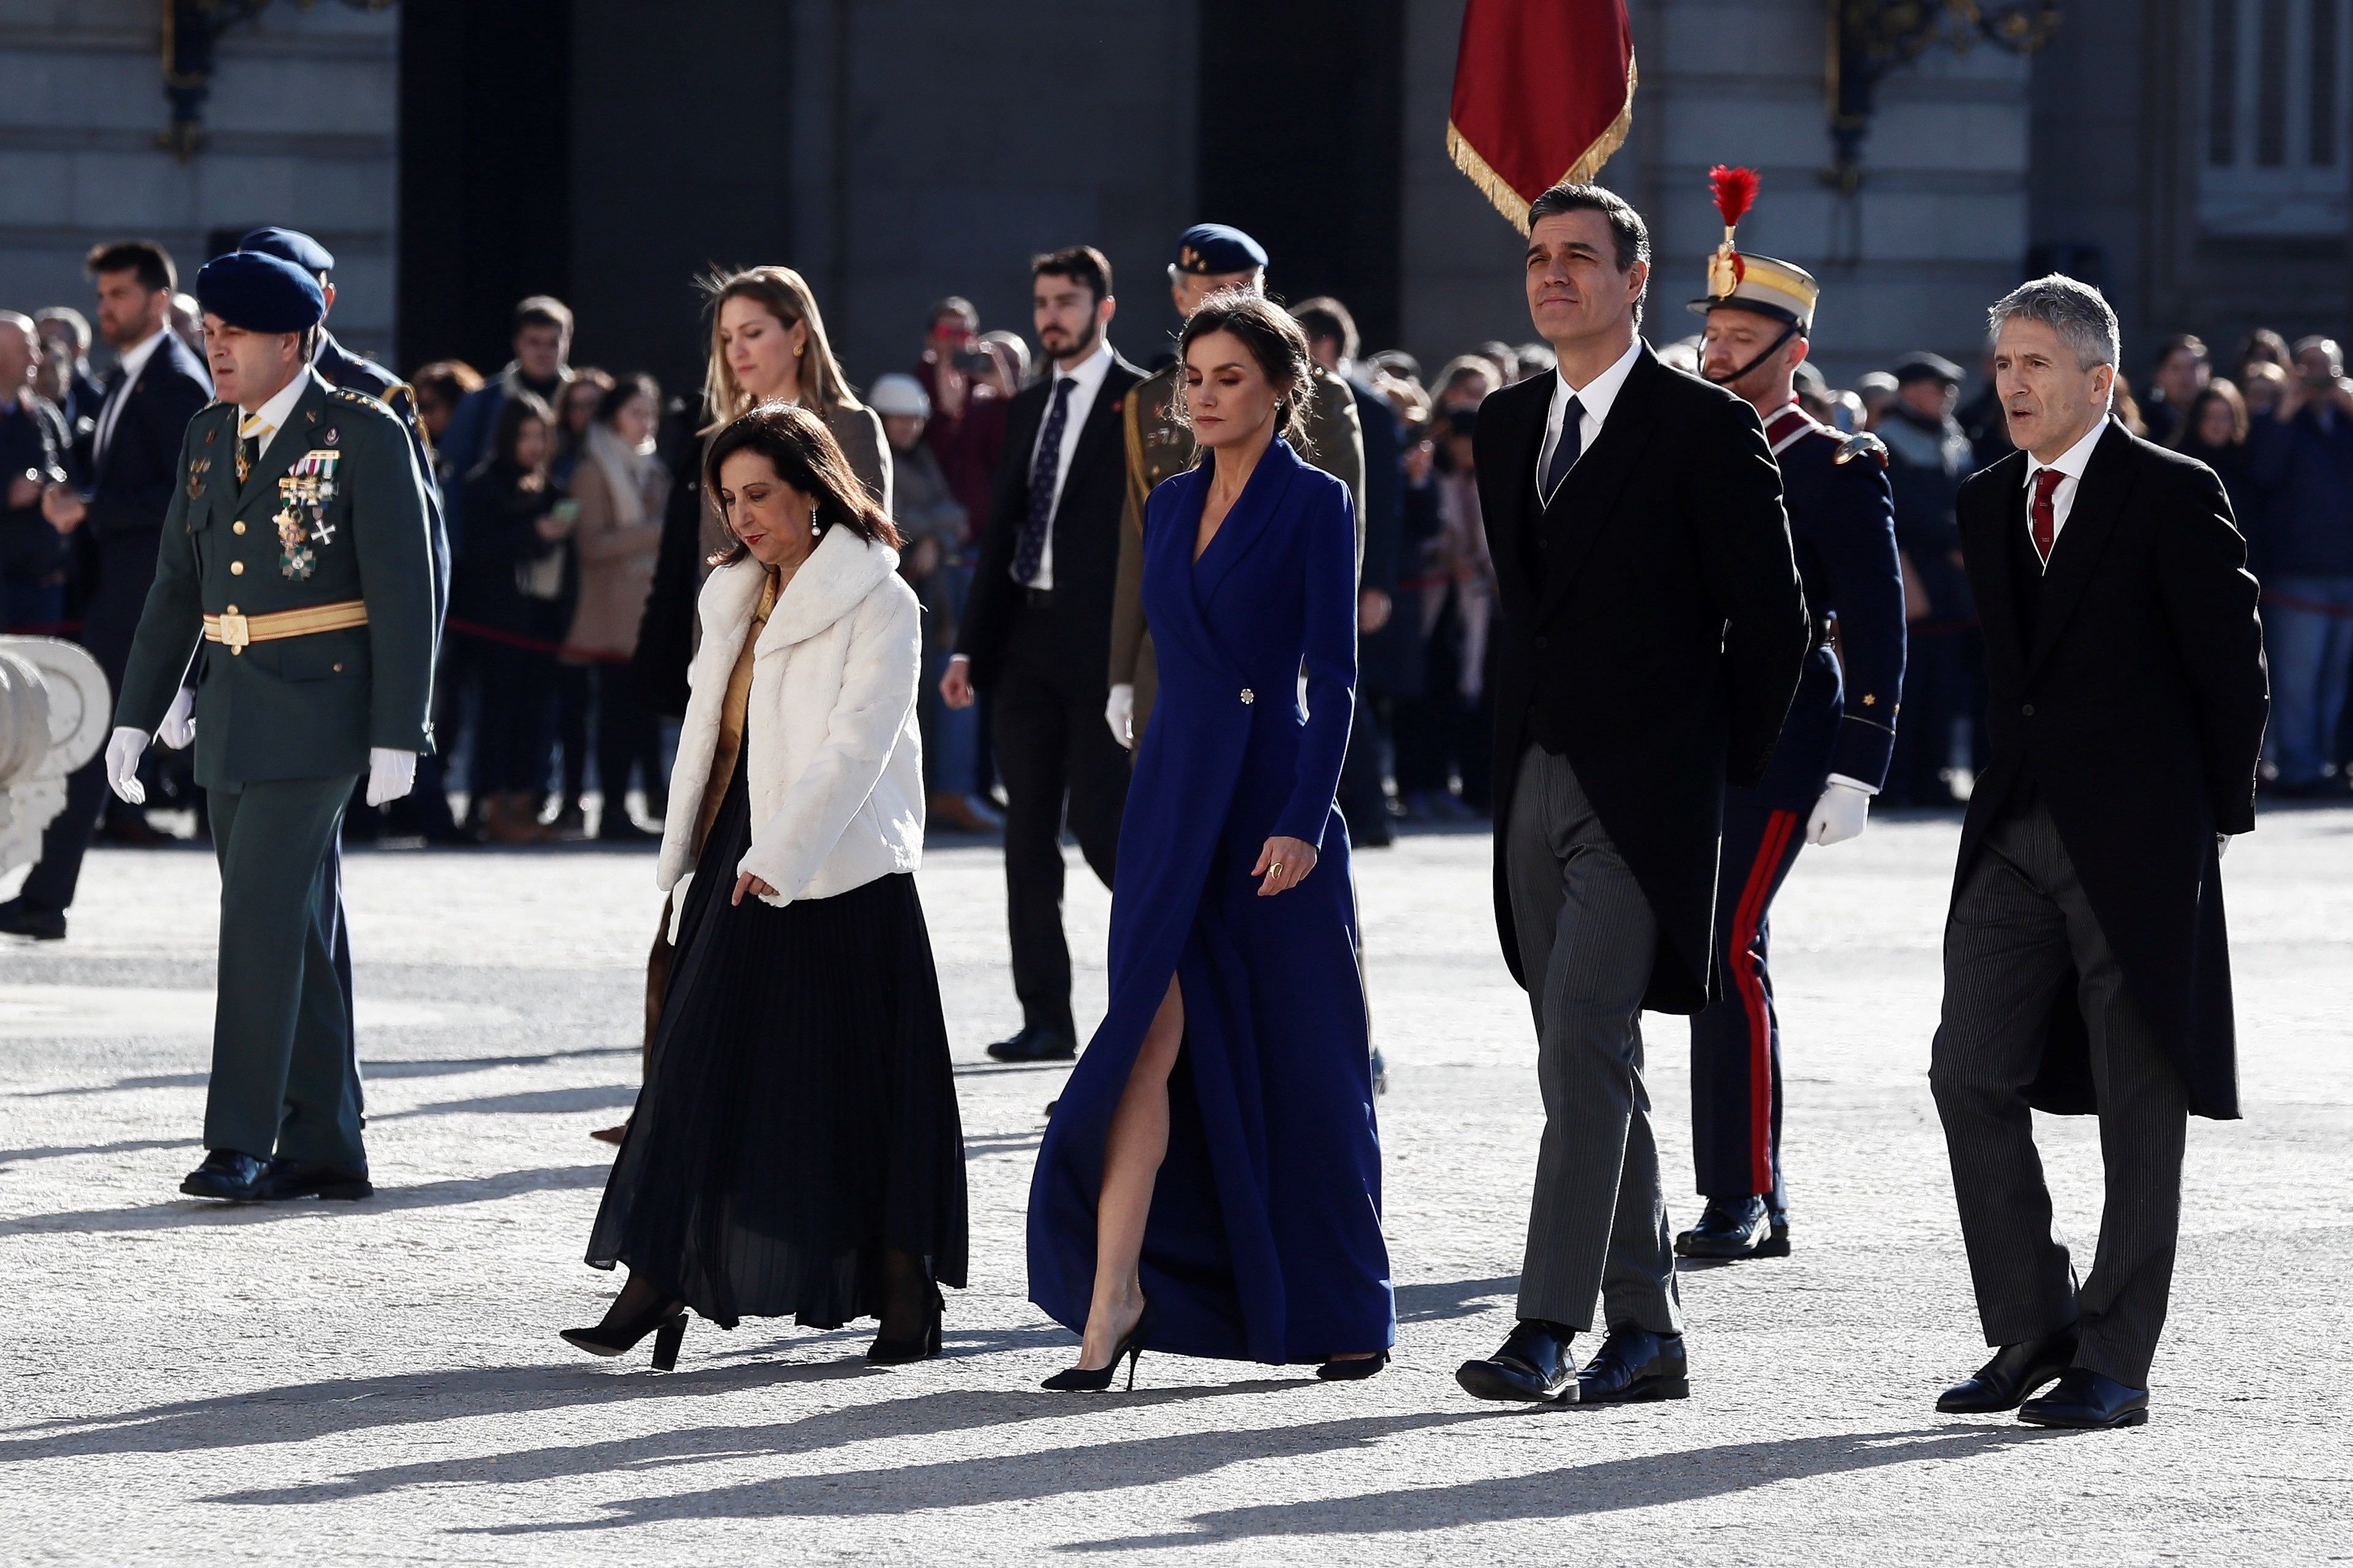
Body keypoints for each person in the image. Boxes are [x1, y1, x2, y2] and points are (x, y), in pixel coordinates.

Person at [1450, 182, 1805, 1408]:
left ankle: (1544, 1322)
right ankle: (1648, 1330)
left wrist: (1711, 764)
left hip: (1648, 793)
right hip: (1533, 779)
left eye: (1580, 258)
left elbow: (1775, 622)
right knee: (1584, 1057)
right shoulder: (1503, 424)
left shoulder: (1704, 426)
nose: (1553, 275)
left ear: (1635, 277)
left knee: (1584, 1040)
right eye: (1539, 257)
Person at [1026, 290, 1389, 1388]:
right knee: (1141, 1040)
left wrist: (1302, 821)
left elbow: (1334, 679)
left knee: (1306, 1058)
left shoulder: (1318, 502)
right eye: (1194, 378)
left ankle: (1342, 1306)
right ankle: (1112, 1300)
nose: (1206, 396)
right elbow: (1148, 648)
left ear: (1282, 388)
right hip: (1172, 801)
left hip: (1271, 802)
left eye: (1230, 377)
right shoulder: (1169, 503)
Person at [1928, 276, 2266, 1430]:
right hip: (2009, 831)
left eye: (2034, 364)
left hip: (2138, 839)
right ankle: (2035, 1321)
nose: (2011, 384)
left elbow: (2233, 668)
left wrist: (2201, 821)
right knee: (1966, 1069)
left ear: (2098, 379)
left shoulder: (2174, 492)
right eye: (2003, 363)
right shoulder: (1985, 500)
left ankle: (2115, 1353)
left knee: (2138, 1097)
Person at [570, 401, 963, 1370]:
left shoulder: (880, 595)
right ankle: (657, 1278)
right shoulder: (731, 593)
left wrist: (779, 857)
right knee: (696, 1066)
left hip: (840, 861)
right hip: (734, 850)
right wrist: (720, 853)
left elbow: (857, 747)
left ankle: (906, 1292)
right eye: (728, 498)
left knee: (867, 1087)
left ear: (813, 490)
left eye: (760, 495)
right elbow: (710, 743)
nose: (742, 516)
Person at [102, 250, 435, 1201]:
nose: (215, 350)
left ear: (291, 340)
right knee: (300, 927)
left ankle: (239, 1137)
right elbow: (178, 583)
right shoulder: (209, 433)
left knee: (254, 919)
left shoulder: (363, 433)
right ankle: (328, 1142)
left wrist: (396, 731)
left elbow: (407, 593)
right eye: (208, 334)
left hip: (325, 711)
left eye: (232, 335)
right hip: (235, 709)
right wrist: (141, 708)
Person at [1675, 175, 1907, 1261]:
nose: (1716, 351)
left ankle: (1743, 1193)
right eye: (1712, 333)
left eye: (1738, 337)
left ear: (1790, 350)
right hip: (1691, 733)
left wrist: (1859, 763)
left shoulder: (1832, 465)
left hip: (1785, 734)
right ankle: (1745, 1184)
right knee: (1714, 950)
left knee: (1723, 949)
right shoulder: (1680, 445)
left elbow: (1875, 621)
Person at [939, 248, 1144, 1064]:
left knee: (1103, 830)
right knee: (1024, 836)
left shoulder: (1144, 401)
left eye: (1066, 300)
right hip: (1024, 638)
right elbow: (1000, 540)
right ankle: (1046, 1018)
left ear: (1104, 308)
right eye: (1041, 302)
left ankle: (1156, 995)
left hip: (1103, 648)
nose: (1050, 315)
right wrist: (969, 648)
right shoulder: (1022, 409)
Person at [0, 241, 212, 941]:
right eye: (101, 296)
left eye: (118, 295)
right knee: (92, 740)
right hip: (117, 590)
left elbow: (184, 495)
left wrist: (90, 505)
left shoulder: (177, 378)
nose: (105, 308)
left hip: (150, 595)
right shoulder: (129, 376)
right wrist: (74, 492)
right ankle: (43, 895)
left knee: (97, 740)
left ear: (158, 300)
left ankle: (44, 896)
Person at [1104, 225, 1364, 756]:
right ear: (1180, 296)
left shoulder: (1316, 395)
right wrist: (1121, 672)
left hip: (1264, 666)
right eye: (1213, 289)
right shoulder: (1150, 402)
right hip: (1171, 669)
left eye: (1243, 287)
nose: (1204, 398)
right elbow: (1140, 545)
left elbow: (1338, 542)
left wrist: (1305, 667)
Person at [237, 227, 458, 842]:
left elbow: (422, 556)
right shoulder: (230, 392)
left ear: (324, 302)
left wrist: (409, 692)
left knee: (314, 846)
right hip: (251, 661)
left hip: (341, 658)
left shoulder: (374, 396)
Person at [1294, 296, 1406, 847]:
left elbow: (1381, 506)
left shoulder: (1369, 409)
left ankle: (1368, 811)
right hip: (1304, 572)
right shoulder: (1290, 405)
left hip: (1352, 577)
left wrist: (1375, 583)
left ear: (1326, 346)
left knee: (1340, 692)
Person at [872, 370, 994, 835]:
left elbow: (956, 514)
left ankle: (951, 791)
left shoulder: (922, 459)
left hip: (938, 598)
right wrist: (925, 534)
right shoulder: (876, 461)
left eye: (914, 420)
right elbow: (885, 515)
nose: (909, 429)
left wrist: (931, 539)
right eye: (899, 421)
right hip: (899, 601)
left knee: (951, 688)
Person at [697, 267, 889, 557]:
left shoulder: (850, 425)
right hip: (743, 603)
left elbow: (869, 546)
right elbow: (714, 559)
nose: (736, 352)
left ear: (798, 334)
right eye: (726, 338)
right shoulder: (720, 438)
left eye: (752, 333)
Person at [457, 392, 572, 844]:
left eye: (541, 436)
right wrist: (532, 533)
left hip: (541, 620)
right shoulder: (483, 484)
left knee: (535, 716)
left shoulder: (551, 488)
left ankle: (526, 802)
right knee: (495, 715)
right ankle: (489, 805)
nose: (534, 445)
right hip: (495, 621)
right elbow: (478, 549)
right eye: (525, 436)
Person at [2245, 336, 2353, 797]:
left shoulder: (2346, 422)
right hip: (2298, 573)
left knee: (2336, 680)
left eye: (2325, 368)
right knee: (2297, 678)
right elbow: (2263, 472)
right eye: (2307, 366)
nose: (2316, 377)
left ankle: (2327, 763)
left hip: (2346, 569)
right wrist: (2288, 408)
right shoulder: (2277, 419)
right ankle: (2298, 768)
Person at [563, 372, 668, 842]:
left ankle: (631, 803)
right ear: (613, 417)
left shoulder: (652, 467)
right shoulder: (593, 466)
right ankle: (609, 808)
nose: (647, 423)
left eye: (651, 413)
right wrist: (655, 531)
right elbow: (590, 545)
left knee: (640, 716)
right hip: (607, 613)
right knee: (613, 716)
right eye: (636, 413)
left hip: (645, 612)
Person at [1880, 351, 1979, 807]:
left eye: (1950, 388)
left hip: (1951, 588)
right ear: (1910, 391)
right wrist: (1953, 538)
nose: (1948, 396)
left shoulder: (1953, 438)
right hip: (1913, 580)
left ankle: (1932, 778)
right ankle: (1895, 781)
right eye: (1938, 387)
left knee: (1943, 688)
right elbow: (1905, 510)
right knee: (1908, 687)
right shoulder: (1888, 441)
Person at [438, 296, 575, 545]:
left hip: (573, 550)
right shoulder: (482, 402)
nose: (544, 352)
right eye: (534, 342)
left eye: (553, 343)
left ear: (567, 344)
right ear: (517, 344)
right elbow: (455, 476)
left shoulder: (583, 401)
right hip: (498, 545)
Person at [0, 313, 75, 631]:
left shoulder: (45, 415)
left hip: (43, 586)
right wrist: (6, 494)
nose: (37, 358)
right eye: (26, 350)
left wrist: (58, 489)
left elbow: (74, 475)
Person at [31, 306, 104, 445]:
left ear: (78, 349)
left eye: (55, 342)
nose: (41, 353)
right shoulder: (22, 409)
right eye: (38, 343)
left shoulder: (99, 405)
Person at [2140, 333, 2209, 448]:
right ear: (2159, 375)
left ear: (2208, 372)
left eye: (2193, 368)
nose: (2185, 376)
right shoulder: (2145, 424)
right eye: (2176, 368)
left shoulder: (2221, 421)